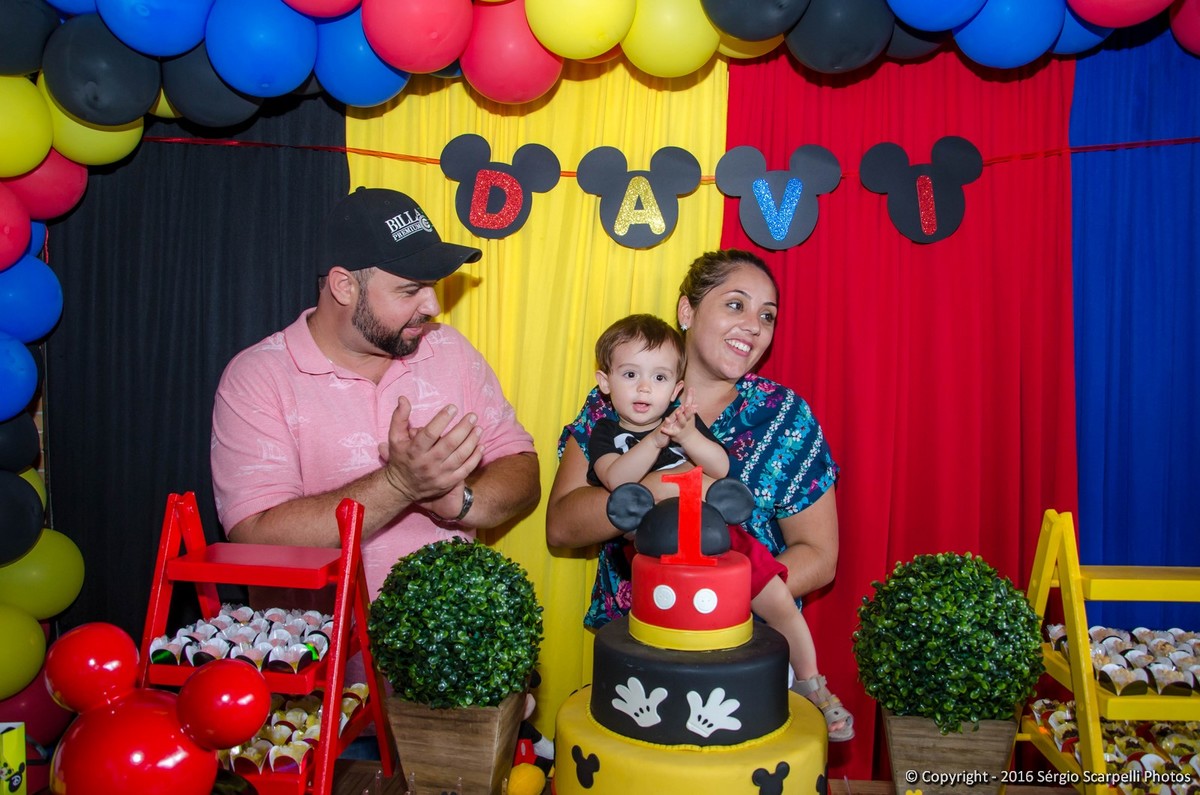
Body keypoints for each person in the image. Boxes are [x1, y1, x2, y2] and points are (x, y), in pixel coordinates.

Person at [546, 249, 847, 737]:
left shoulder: (784, 416)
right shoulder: (618, 400)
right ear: (687, 310)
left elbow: (819, 555)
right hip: (638, 651)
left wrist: (715, 599)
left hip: (745, 652)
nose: (753, 326)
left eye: (767, 316)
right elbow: (561, 526)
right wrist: (666, 487)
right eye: (736, 305)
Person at [211, 186, 540, 611]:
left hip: (447, 644)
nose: (433, 306)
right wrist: (399, 484)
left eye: (433, 286)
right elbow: (255, 538)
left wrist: (460, 502)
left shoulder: (450, 349)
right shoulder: (259, 377)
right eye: (410, 290)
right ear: (344, 286)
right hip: (317, 647)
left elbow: (521, 466)